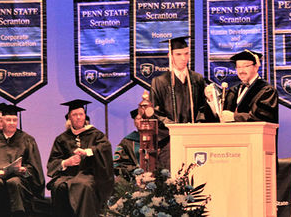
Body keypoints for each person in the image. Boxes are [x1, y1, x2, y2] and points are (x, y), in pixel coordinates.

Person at [149, 36, 211, 169]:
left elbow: (202, 107)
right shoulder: (159, 82)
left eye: (186, 54)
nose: (183, 58)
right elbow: (155, 112)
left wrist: (198, 125)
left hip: (195, 137)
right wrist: (176, 128)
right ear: (170, 56)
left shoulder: (197, 79)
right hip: (170, 139)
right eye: (178, 54)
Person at [47, 99, 114, 217]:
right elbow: (53, 161)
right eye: (75, 114)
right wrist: (66, 162)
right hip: (67, 175)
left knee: (83, 185)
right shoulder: (62, 138)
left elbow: (105, 147)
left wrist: (88, 151)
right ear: (69, 118)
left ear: (85, 116)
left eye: (81, 114)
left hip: (89, 174)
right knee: (58, 186)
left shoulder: (95, 134)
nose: (78, 117)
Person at [0, 104, 45, 217]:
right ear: (1, 122)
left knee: (14, 182)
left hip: (20, 179)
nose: (12, 123)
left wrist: (24, 170)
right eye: (8, 120)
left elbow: (34, 166)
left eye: (14, 120)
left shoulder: (27, 140)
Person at [205, 49, 278, 124]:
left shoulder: (266, 90)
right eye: (238, 67)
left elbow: (263, 118)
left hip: (253, 135)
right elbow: (220, 118)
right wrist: (212, 101)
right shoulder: (234, 90)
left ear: (256, 67)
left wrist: (234, 117)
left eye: (245, 66)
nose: (241, 71)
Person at [113, 109, 141, 181]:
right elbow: (116, 164)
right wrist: (132, 170)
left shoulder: (158, 139)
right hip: (132, 176)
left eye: (144, 118)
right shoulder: (127, 141)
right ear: (134, 122)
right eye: (138, 119)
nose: (142, 121)